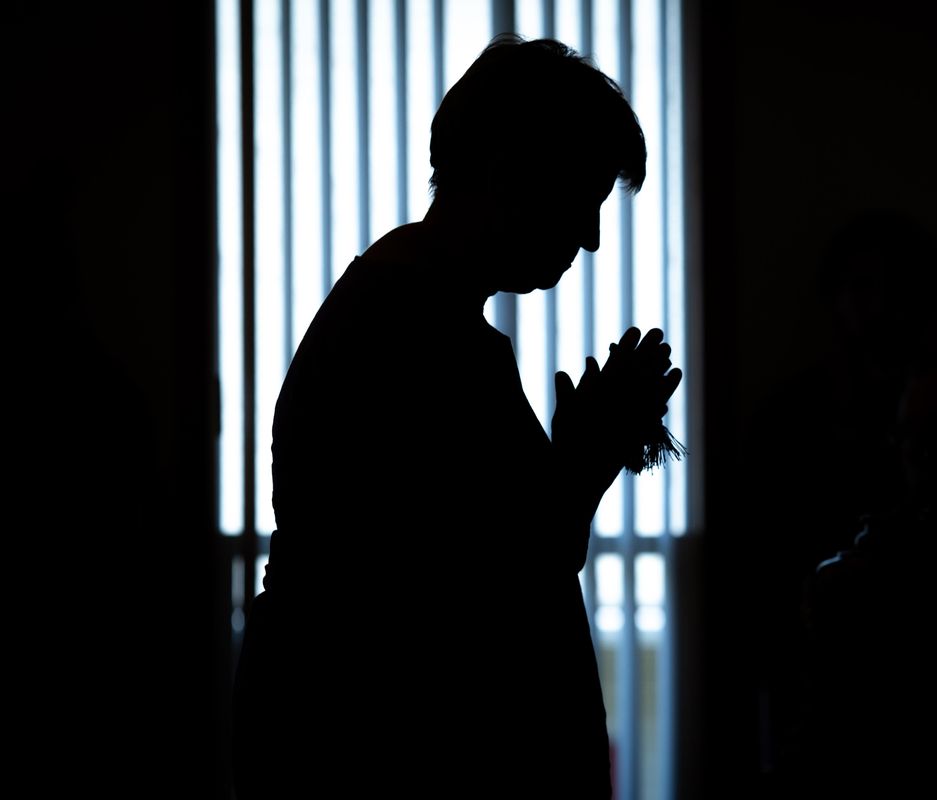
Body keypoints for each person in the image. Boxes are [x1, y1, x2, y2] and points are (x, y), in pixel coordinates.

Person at [232, 35, 682, 798]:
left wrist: (576, 461)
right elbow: (481, 592)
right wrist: (579, 466)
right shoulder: (413, 331)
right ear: (510, 174)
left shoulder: (411, 312)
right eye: (582, 201)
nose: (592, 239)